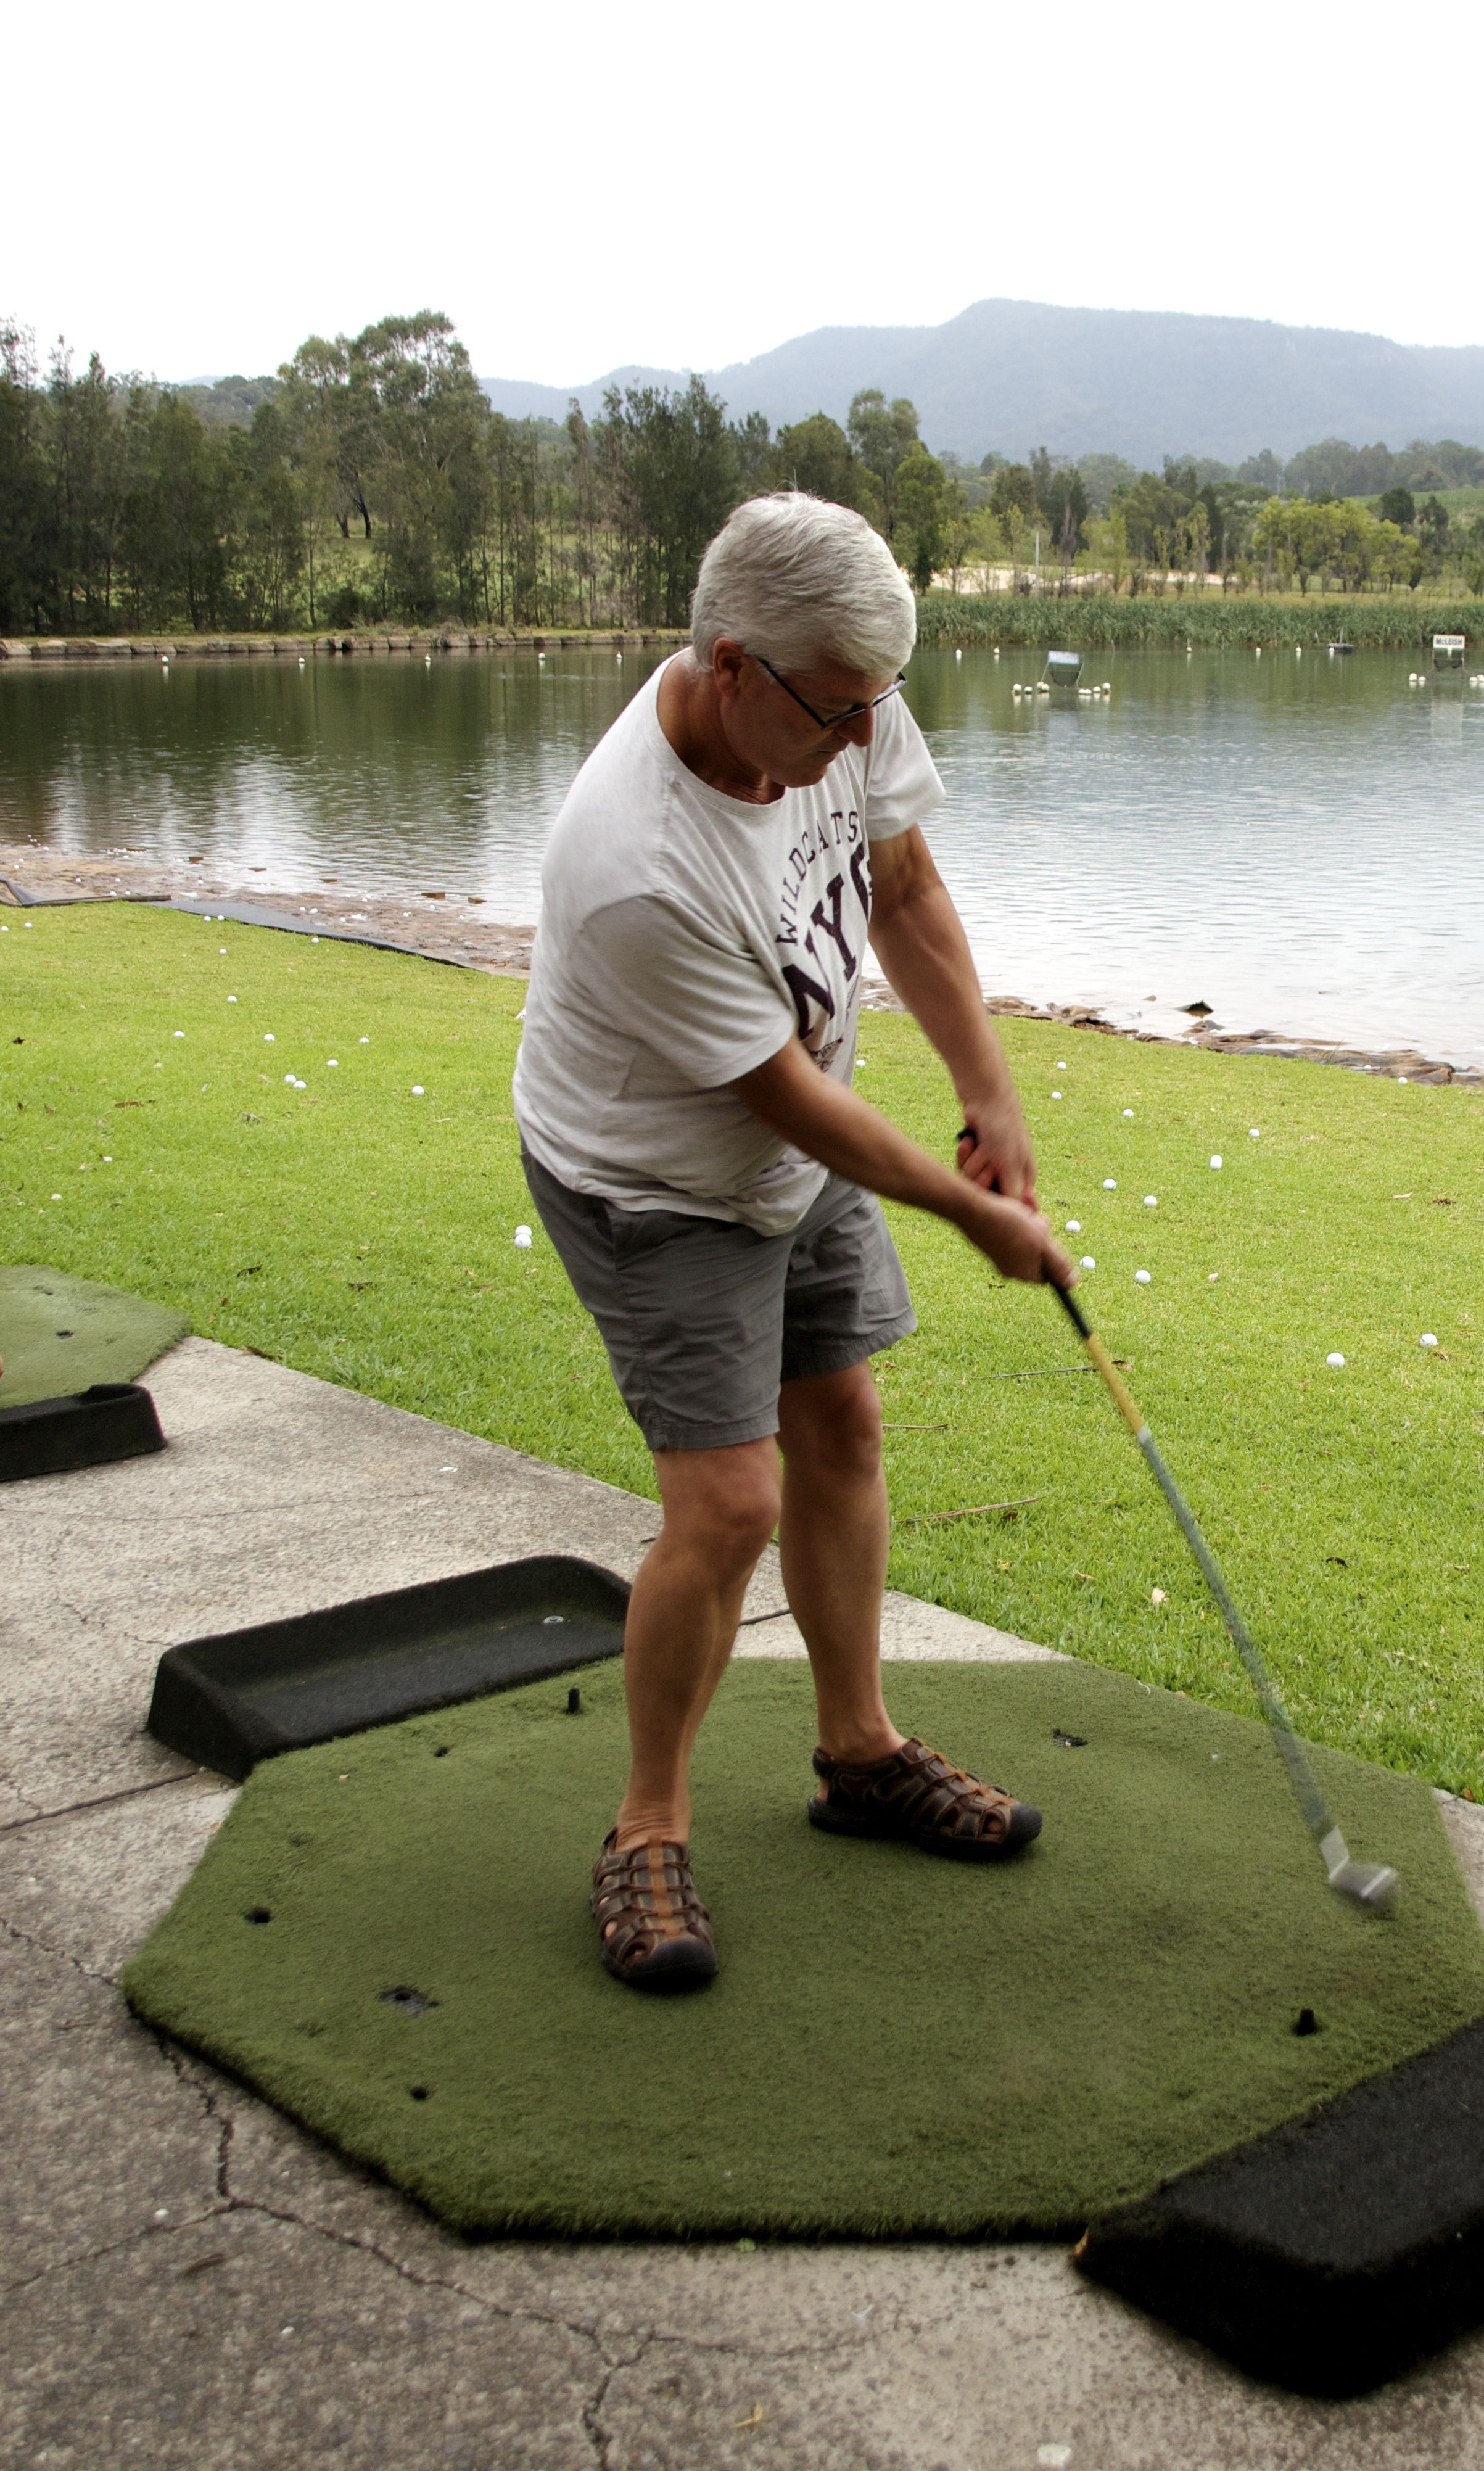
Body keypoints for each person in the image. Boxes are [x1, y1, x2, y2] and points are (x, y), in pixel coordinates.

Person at [513, 493, 1071, 1991]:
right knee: (727, 1503)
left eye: (878, 702)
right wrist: (970, 1211)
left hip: (797, 1135)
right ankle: (646, 1825)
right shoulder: (635, 861)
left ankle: (859, 1753)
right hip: (652, 1175)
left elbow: (904, 886)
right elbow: (787, 1104)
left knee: (842, 1423)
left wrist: (989, 1091)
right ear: (730, 664)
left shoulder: (840, 696)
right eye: (836, 710)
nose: (864, 735)